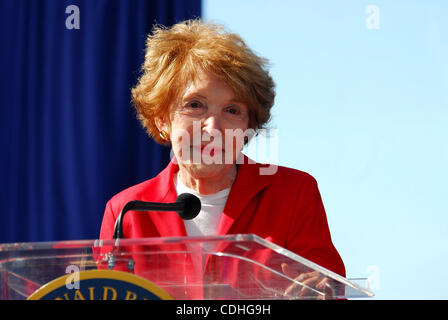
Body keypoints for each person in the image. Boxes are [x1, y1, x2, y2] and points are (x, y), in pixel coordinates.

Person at [99, 19, 345, 298]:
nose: (214, 128)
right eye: (195, 105)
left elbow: (329, 289)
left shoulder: (294, 193)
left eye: (232, 110)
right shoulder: (126, 212)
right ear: (162, 118)